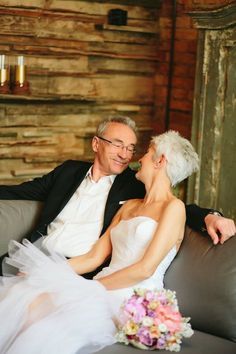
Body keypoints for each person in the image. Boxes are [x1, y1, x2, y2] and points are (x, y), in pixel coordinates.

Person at [0, 130, 199, 353]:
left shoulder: (174, 208)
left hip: (131, 296)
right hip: (99, 283)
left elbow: (145, 269)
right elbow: (94, 257)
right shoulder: (130, 205)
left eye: (146, 152)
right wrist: (45, 271)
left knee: (46, 321)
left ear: (160, 161)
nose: (138, 158)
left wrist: (91, 288)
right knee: (28, 299)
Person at [0, 116, 235, 276]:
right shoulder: (68, 171)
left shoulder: (132, 184)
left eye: (131, 147)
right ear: (96, 144)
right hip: (33, 253)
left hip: (76, 269)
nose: (125, 154)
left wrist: (211, 216)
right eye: (118, 144)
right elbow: (21, 190)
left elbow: (175, 207)